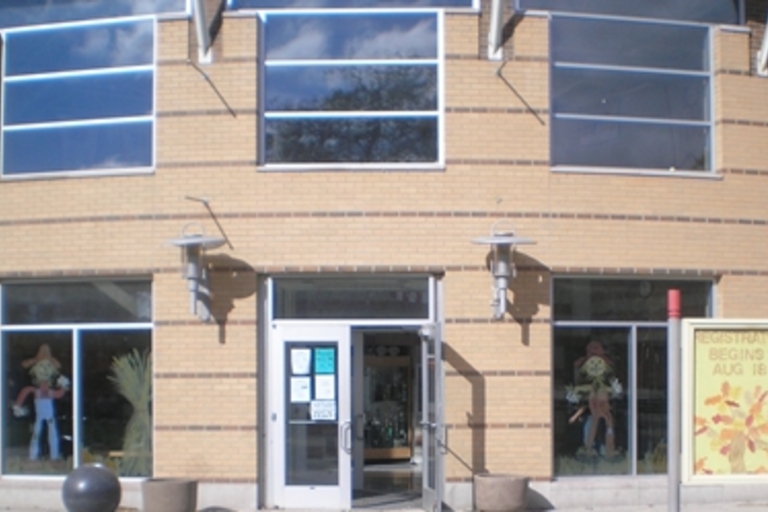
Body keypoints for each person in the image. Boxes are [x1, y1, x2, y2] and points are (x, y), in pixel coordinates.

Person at [565, 340, 622, 458]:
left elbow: (612, 378)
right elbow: (578, 377)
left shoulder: (607, 364)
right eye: (591, 350)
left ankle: (604, 449)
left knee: (605, 422)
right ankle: (592, 448)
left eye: (597, 349)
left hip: (599, 397)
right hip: (593, 398)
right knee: (598, 421)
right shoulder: (582, 364)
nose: (594, 353)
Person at [12, 344, 70, 461]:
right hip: (40, 416)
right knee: (38, 433)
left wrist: (64, 386)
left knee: (50, 433)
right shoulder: (37, 391)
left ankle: (54, 455)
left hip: (49, 417)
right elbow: (24, 393)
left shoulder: (48, 392)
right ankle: (35, 455)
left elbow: (59, 394)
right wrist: (18, 406)